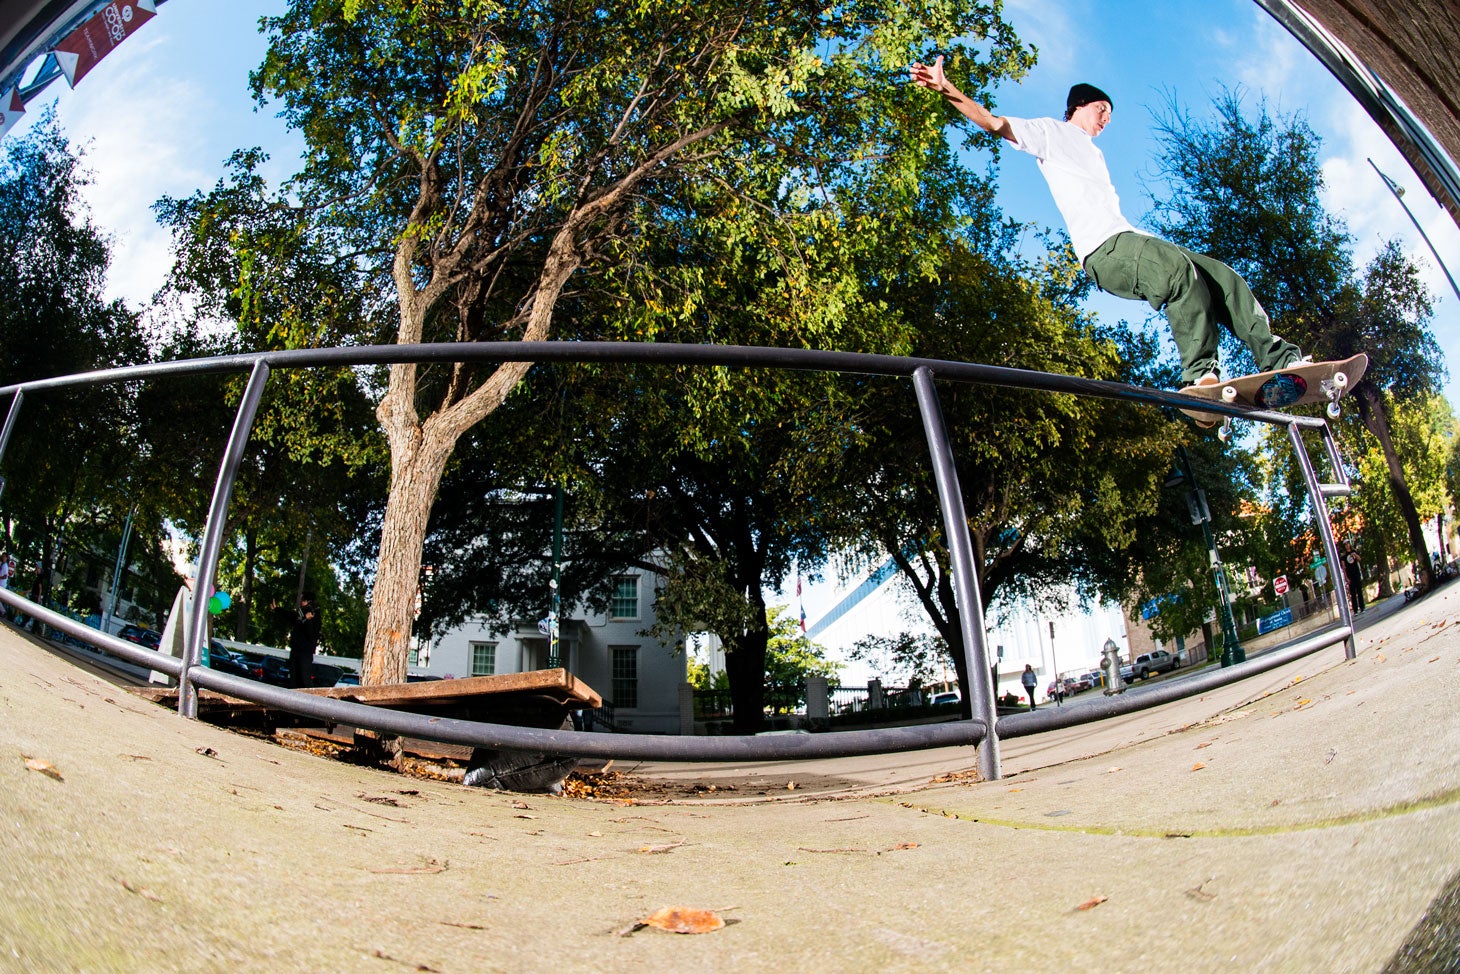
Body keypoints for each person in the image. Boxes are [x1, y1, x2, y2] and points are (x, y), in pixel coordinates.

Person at [907, 59, 1306, 396]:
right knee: (1177, 272)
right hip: (1105, 250)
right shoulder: (1051, 132)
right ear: (1080, 105)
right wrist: (947, 89)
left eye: (1110, 117)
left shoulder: (1092, 152)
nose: (1106, 120)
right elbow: (993, 124)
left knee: (1220, 277)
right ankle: (1200, 377)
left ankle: (1280, 360)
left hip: (1129, 238)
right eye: (1103, 110)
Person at [278, 591, 323, 688]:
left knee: (303, 676)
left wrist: (307, 620)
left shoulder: (314, 614)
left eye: (302, 600)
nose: (301, 602)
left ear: (307, 601)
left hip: (305, 651)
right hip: (296, 649)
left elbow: (311, 633)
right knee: (294, 676)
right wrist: (277, 609)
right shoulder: (301, 613)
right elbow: (291, 616)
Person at [1342, 545, 1366, 613]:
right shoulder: (1344, 556)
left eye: (1348, 543)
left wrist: (1355, 554)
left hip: (1356, 574)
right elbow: (1343, 567)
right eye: (1345, 544)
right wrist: (1346, 578)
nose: (1347, 545)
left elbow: (1359, 559)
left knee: (1359, 591)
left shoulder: (1354, 551)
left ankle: (1362, 607)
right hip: (1350, 576)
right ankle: (1355, 610)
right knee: (1353, 594)